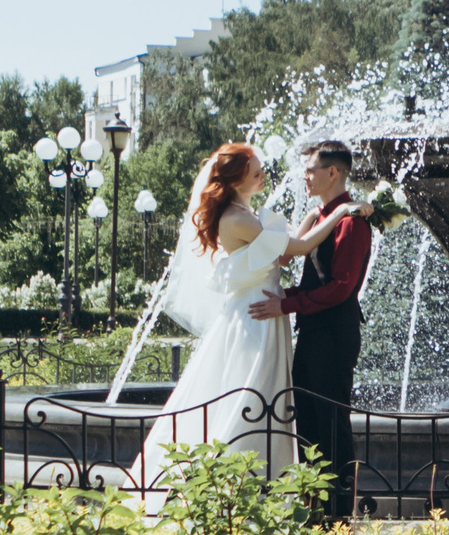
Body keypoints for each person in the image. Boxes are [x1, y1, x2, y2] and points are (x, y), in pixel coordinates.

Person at [135, 142, 365, 494]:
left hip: (269, 310)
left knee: (273, 401)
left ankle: (292, 490)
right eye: (256, 171)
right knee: (252, 397)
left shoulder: (244, 211)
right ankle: (228, 484)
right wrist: (338, 213)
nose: (264, 175)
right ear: (238, 178)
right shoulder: (238, 218)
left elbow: (284, 255)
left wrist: (323, 214)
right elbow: (295, 250)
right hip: (258, 316)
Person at [250, 139, 374, 515]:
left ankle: (338, 512)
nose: (304, 176)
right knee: (309, 418)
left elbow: (341, 287)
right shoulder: (323, 217)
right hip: (316, 330)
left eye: (310, 169)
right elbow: (312, 281)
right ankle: (317, 506)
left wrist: (285, 304)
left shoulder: (352, 222)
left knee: (331, 421)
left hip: (335, 332)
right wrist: (281, 295)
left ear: (332, 172)